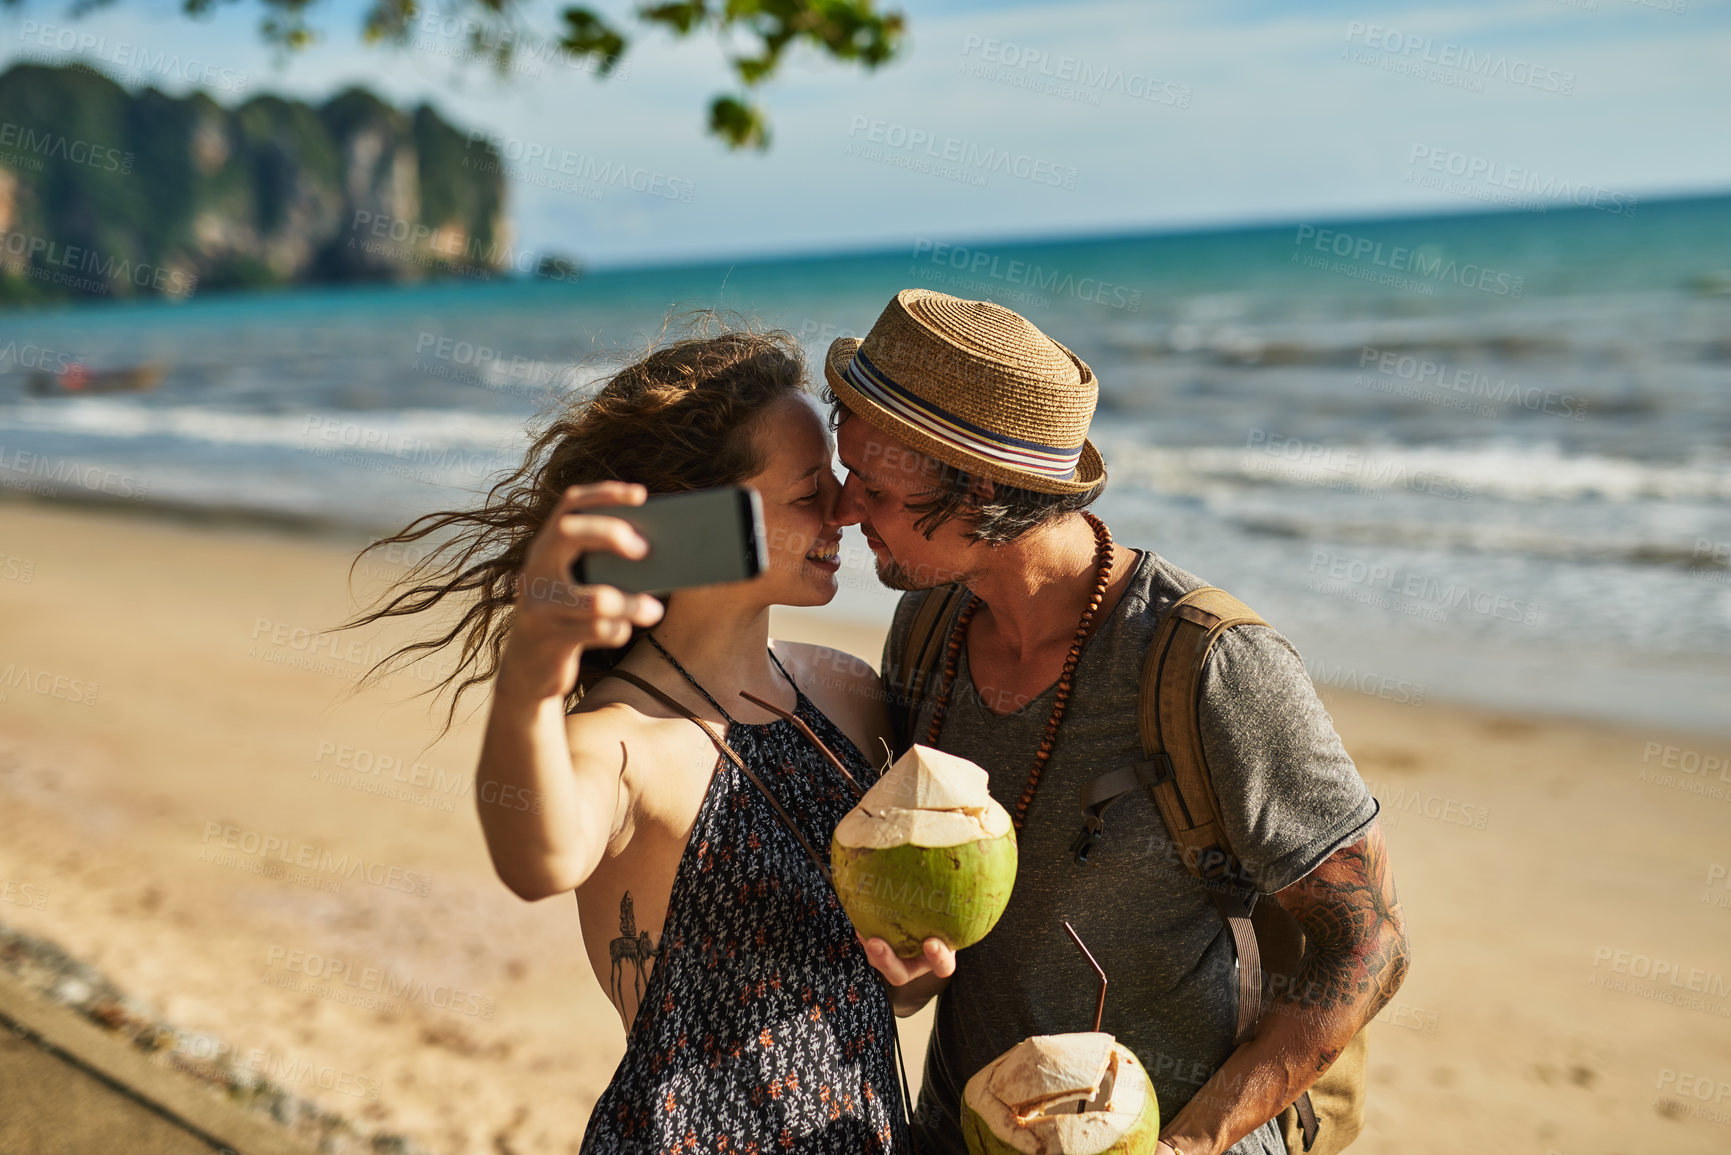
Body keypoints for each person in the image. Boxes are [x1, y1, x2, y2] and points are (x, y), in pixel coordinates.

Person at [821, 290, 1410, 1155]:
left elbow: (1369, 941)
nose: (842, 511)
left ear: (981, 487)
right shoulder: (931, 625)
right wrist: (910, 963)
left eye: (871, 487)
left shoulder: (1209, 664)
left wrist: (1194, 1141)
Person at [348, 323, 911, 1153]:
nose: (844, 507)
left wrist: (915, 974)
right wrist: (534, 665)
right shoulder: (614, 743)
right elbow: (536, 860)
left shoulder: (848, 690)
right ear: (692, 521)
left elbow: (874, 972)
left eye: (834, 478)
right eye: (806, 492)